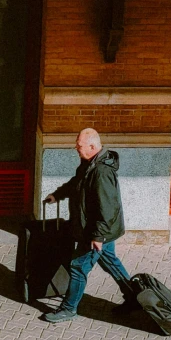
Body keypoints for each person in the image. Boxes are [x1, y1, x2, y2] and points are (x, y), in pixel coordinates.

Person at [43, 127, 133, 323]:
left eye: (79, 145)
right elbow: (76, 183)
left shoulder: (101, 172)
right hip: (96, 231)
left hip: (95, 231)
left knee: (78, 267)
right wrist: (57, 195)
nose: (76, 147)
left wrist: (98, 236)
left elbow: (108, 208)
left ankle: (68, 308)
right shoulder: (88, 164)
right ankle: (134, 297)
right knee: (110, 262)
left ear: (92, 146)